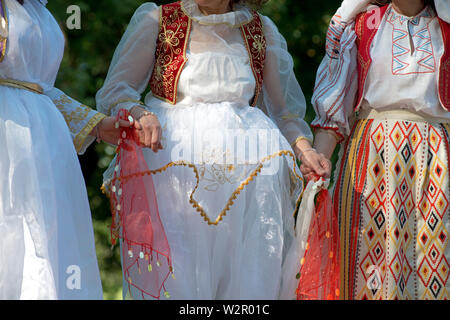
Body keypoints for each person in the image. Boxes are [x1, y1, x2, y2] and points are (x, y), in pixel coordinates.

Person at [97, 0, 330, 299]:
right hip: (175, 173)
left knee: (249, 277)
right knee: (180, 275)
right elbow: (116, 91)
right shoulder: (159, 20)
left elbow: (284, 112)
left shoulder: (261, 29)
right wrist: (140, 113)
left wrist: (305, 150)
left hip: (250, 181)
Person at [305, 0, 450, 299]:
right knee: (368, 268)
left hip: (438, 157)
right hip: (371, 154)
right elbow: (335, 107)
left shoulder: (447, 22)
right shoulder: (361, 23)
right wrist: (318, 158)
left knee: (436, 259)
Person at [0, 0, 131, 299]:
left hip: (48, 146)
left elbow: (37, 89)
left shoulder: (40, 11)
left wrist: (96, 124)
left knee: (48, 240)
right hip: (6, 139)